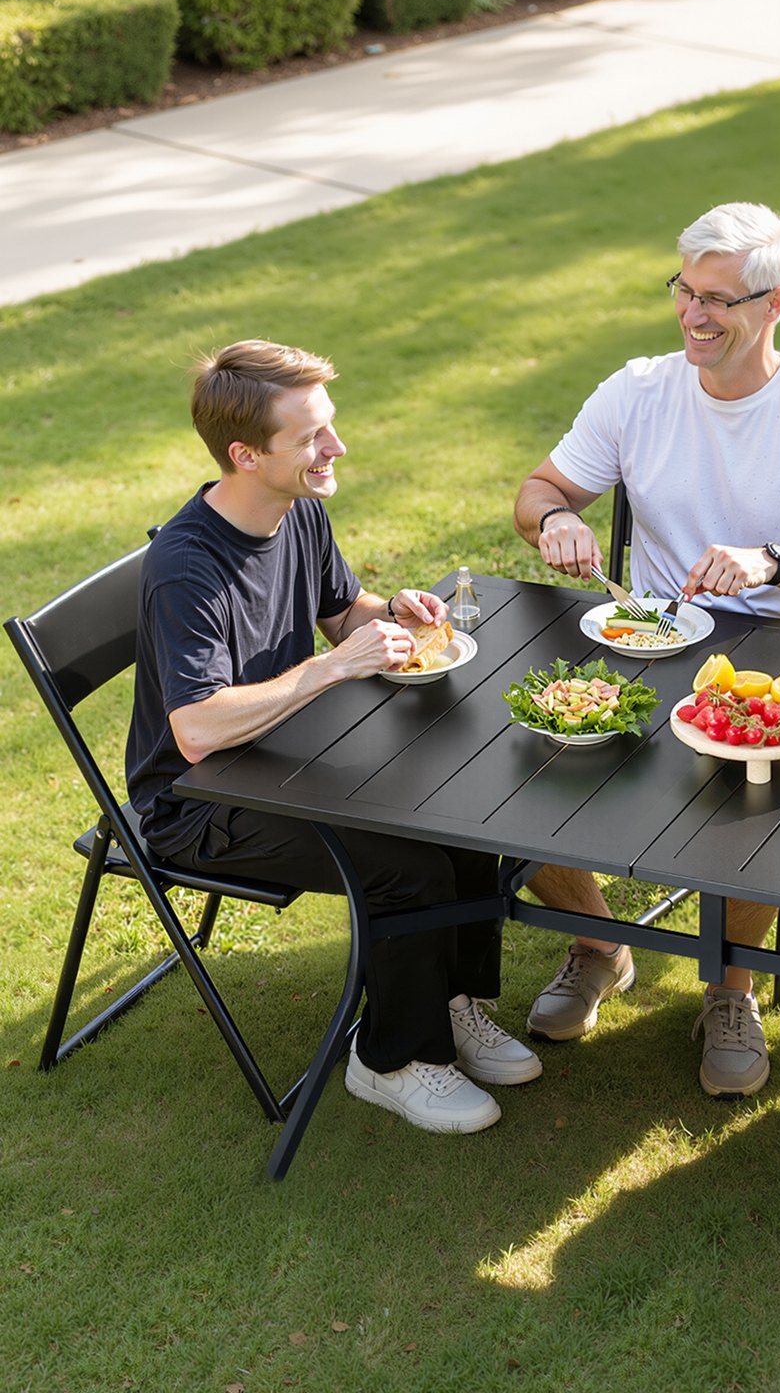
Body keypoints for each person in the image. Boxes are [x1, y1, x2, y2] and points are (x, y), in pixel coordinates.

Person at [512, 201, 780, 1098]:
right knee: (514, 770)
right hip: (642, 643)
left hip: (776, 657)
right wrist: (559, 517)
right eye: (684, 291)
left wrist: (775, 561)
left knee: (753, 800)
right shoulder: (637, 390)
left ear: (777, 304)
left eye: (719, 299)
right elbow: (537, 491)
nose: (694, 314)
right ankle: (600, 944)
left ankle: (732, 989)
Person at [127, 340, 542, 1136]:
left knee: (459, 819)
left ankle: (446, 1007)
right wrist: (332, 669)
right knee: (405, 866)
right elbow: (197, 728)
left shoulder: (298, 508)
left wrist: (390, 616)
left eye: (331, 426)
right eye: (312, 437)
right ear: (246, 456)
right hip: (196, 803)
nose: (336, 448)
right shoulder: (188, 566)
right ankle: (389, 1060)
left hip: (286, 756)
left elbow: (341, 609)